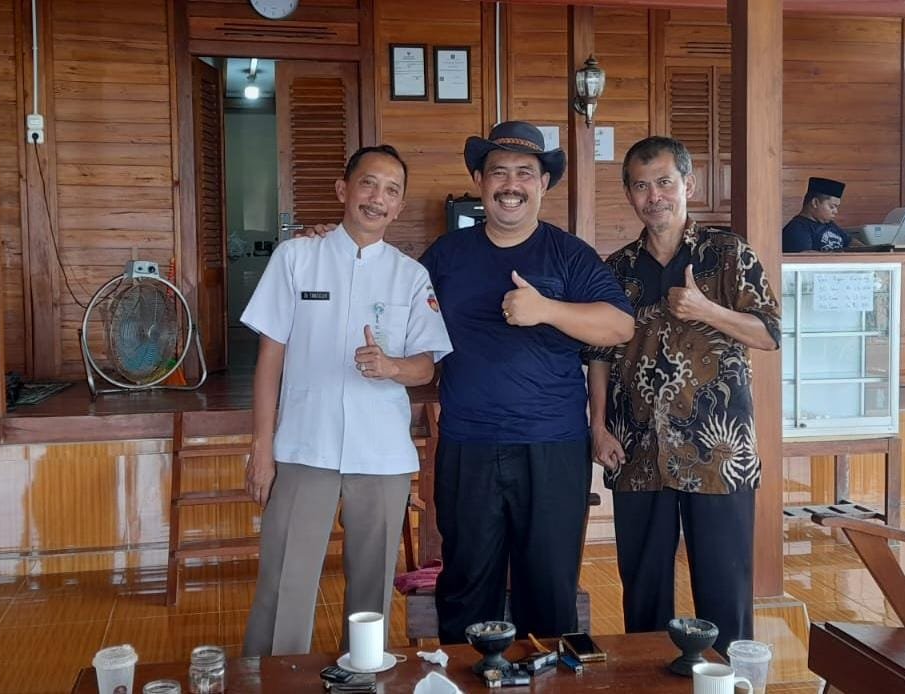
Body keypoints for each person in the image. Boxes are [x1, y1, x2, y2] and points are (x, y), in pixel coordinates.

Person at [419, 121, 635, 644]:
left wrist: (547, 309)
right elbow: (392, 301)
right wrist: (332, 242)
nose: (510, 185)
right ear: (479, 181)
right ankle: (466, 675)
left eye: (524, 173)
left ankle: (548, 675)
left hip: (552, 445)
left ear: (542, 184)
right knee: (466, 584)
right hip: (468, 444)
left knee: (549, 586)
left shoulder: (569, 254)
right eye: (498, 173)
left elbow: (619, 325)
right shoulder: (446, 255)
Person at [240, 145, 452, 657]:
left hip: (381, 457)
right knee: (283, 584)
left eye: (391, 191)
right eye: (368, 184)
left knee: (371, 594)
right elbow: (269, 359)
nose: (378, 198)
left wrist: (392, 367)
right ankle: (273, 682)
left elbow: (426, 366)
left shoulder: (410, 276)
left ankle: (362, 678)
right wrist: (262, 448)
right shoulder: (296, 258)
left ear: (398, 207)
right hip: (303, 448)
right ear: (343, 190)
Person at [585, 136, 781, 654]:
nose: (655, 197)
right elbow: (598, 355)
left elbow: (769, 334)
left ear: (688, 185)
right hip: (636, 450)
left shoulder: (728, 253)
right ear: (629, 194)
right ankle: (647, 683)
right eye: (641, 186)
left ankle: (727, 684)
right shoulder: (616, 268)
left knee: (725, 592)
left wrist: (706, 309)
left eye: (664, 183)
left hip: (718, 453)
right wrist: (598, 427)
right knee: (644, 594)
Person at [783, 176, 850, 252]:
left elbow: (850, 242)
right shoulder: (797, 229)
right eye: (832, 207)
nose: (835, 211)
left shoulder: (829, 224)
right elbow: (806, 257)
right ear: (815, 203)